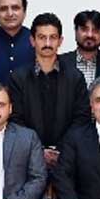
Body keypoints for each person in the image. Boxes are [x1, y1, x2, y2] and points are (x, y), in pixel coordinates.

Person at [8, 13, 89, 173]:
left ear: (60, 41)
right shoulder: (18, 77)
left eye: (52, 37)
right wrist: (38, 151)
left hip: (67, 157)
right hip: (26, 158)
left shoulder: (75, 77)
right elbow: (15, 119)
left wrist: (61, 150)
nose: (47, 43)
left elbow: (81, 118)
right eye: (41, 37)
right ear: (32, 41)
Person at [59, 10, 100, 88]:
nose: (90, 35)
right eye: (84, 29)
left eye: (95, 30)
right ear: (75, 31)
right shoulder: (60, 62)